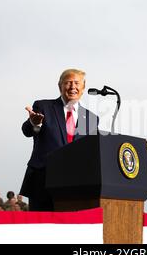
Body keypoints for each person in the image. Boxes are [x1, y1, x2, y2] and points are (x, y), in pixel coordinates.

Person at [20, 68, 99, 211]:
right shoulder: (43, 106)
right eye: (68, 83)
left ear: (83, 86)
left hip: (76, 185)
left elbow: (93, 149)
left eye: (76, 83)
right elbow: (27, 131)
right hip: (43, 181)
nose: (72, 87)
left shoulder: (92, 118)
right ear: (60, 86)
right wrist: (34, 123)